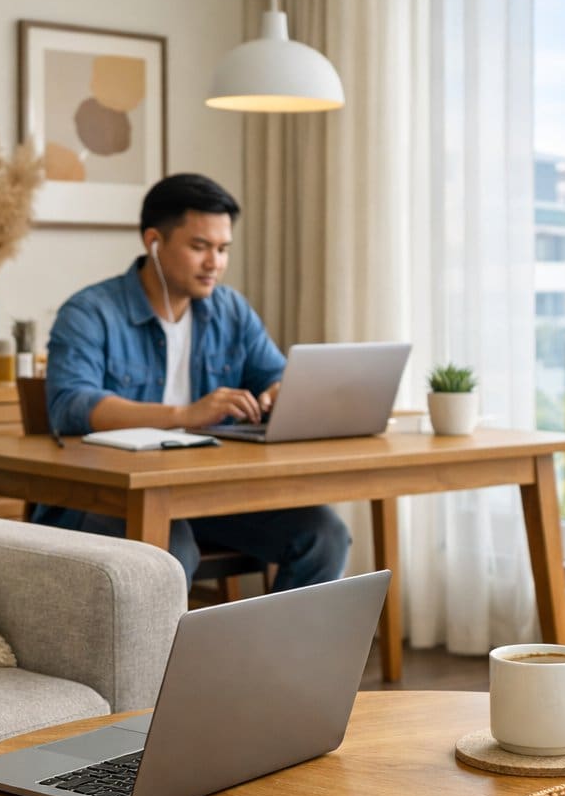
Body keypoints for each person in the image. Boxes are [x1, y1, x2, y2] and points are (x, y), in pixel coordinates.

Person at [37, 173, 351, 591]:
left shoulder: (230, 311)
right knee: (169, 554)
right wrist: (184, 414)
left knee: (324, 537)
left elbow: (276, 376)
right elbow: (70, 405)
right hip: (109, 497)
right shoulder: (90, 312)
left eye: (223, 249)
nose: (214, 263)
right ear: (154, 242)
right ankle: (166, 641)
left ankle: (271, 640)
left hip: (207, 494)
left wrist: (281, 394)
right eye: (200, 247)